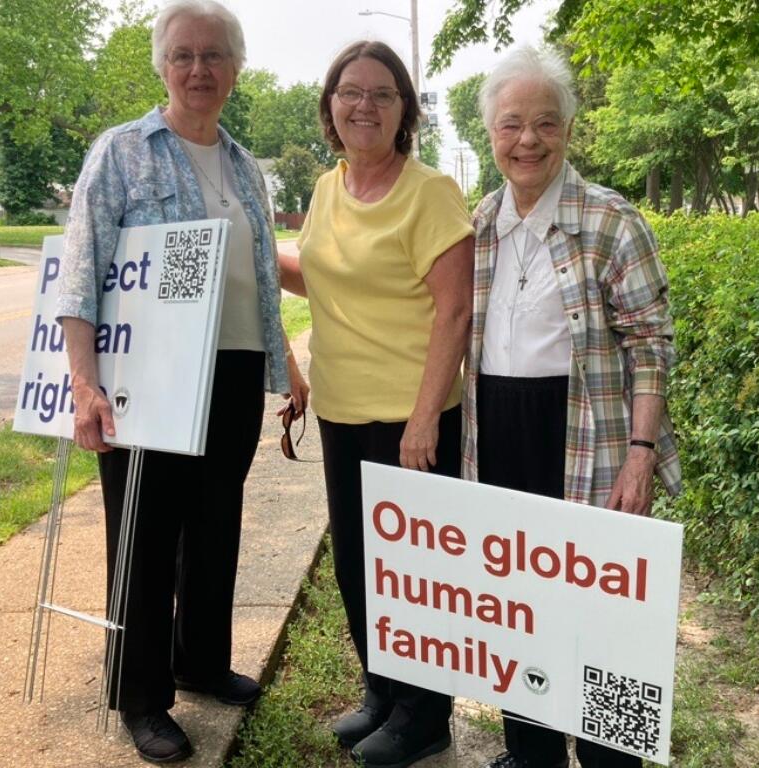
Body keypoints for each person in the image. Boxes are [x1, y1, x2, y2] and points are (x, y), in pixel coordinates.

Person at [54, 0, 308, 762]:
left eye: (214, 56)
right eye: (184, 55)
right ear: (164, 66)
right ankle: (141, 695)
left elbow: (258, 278)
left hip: (228, 372)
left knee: (215, 524)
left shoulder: (239, 162)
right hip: (148, 375)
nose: (200, 69)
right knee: (145, 534)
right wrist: (83, 383)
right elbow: (80, 273)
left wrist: (286, 364)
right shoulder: (123, 150)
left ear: (235, 69)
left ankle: (200, 661)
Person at [461, 46, 682, 768]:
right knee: (515, 605)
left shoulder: (611, 220)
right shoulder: (481, 221)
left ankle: (610, 759)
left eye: (545, 123)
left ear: (568, 130)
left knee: (598, 617)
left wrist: (642, 456)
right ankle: (531, 753)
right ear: (489, 131)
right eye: (511, 123)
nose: (528, 139)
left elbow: (651, 346)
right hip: (498, 432)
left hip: (586, 440)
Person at [278, 40, 474, 768]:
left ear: (404, 111)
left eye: (382, 94)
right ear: (330, 106)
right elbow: (326, 279)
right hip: (343, 409)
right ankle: (382, 695)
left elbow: (454, 312)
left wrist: (426, 417)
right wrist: (253, 252)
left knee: (418, 575)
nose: (364, 105)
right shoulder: (329, 189)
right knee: (361, 567)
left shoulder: (429, 193)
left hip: (411, 419)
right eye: (350, 92)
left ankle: (427, 717)